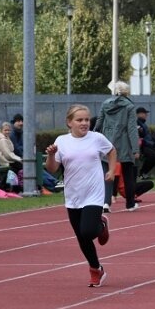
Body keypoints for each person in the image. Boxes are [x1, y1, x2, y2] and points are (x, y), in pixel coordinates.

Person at [45, 105, 117, 287]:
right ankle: (96, 269)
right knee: (82, 237)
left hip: (93, 192)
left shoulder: (97, 138)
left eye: (87, 120)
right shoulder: (61, 141)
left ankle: (100, 225)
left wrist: (111, 169)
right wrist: (52, 156)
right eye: (80, 120)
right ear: (70, 123)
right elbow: (52, 169)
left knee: (88, 231)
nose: (85, 123)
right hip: (73, 195)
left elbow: (111, 150)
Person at [95, 81, 140, 211]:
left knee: (107, 172)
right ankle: (130, 204)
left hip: (107, 141)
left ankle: (105, 203)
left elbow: (99, 122)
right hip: (124, 142)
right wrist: (135, 148)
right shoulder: (130, 106)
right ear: (127, 92)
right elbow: (132, 128)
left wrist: (92, 136)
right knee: (128, 174)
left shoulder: (105, 104)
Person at [135, 107, 155, 179]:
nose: (146, 115)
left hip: (148, 145)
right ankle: (141, 173)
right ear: (139, 114)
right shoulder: (137, 123)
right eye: (144, 113)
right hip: (142, 146)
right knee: (152, 155)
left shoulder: (143, 124)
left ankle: (144, 173)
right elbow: (141, 136)